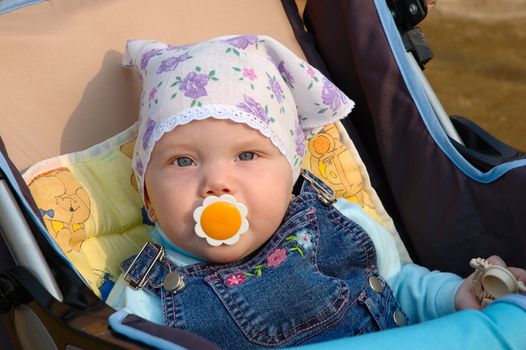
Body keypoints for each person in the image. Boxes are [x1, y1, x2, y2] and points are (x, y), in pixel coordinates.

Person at [107, 35, 526, 349]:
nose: (217, 182)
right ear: (147, 197)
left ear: (291, 176)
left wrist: (457, 296)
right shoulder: (147, 296)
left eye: (247, 155)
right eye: (183, 161)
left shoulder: (339, 221)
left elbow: (397, 283)